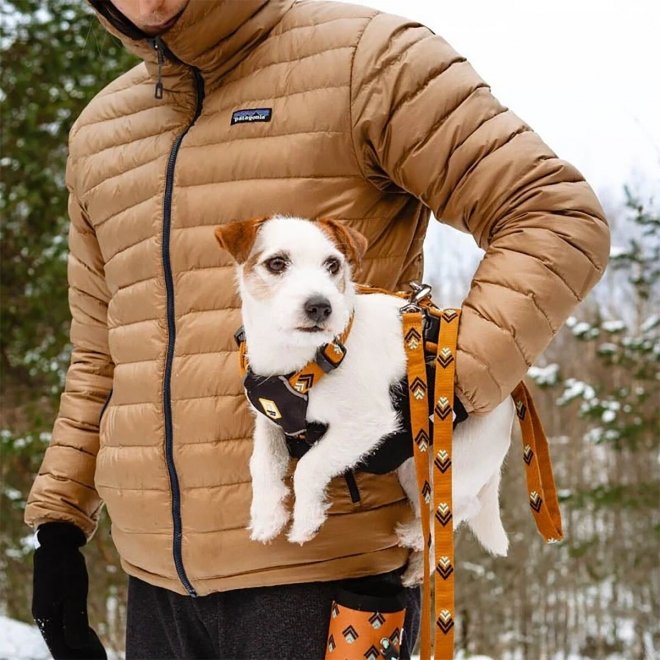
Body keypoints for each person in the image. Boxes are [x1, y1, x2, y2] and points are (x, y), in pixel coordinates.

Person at [25, 0, 610, 658]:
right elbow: (101, 358)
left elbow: (555, 215)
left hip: (329, 575)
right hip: (155, 589)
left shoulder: (370, 59)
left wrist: (435, 393)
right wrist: (59, 528)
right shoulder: (103, 133)